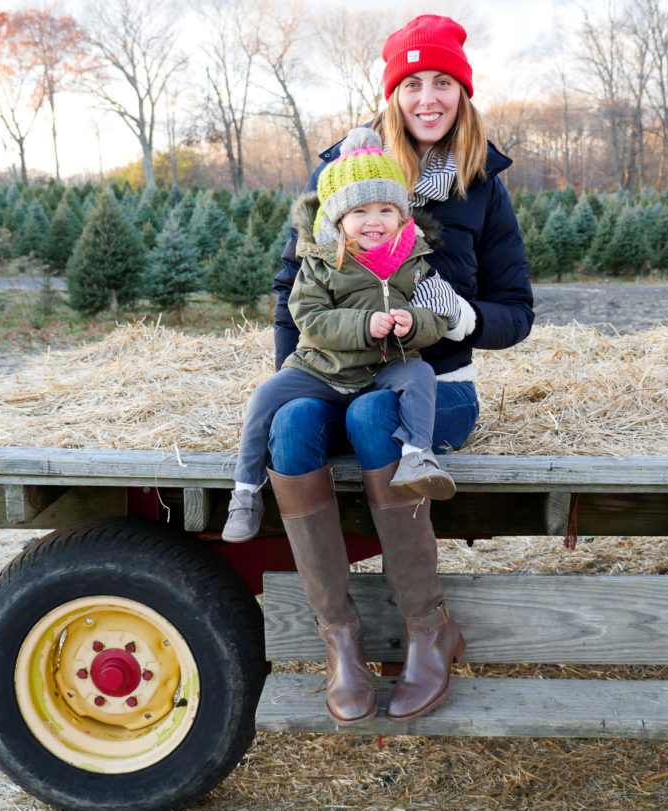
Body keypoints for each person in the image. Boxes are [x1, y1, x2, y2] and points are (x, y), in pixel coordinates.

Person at [265, 13, 534, 726]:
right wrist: (295, 376)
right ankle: (341, 639)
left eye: (443, 82)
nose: (427, 98)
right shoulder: (343, 173)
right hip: (338, 374)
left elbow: (518, 310)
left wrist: (464, 318)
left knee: (373, 415)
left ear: (463, 94)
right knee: (292, 426)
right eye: (411, 83)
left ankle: (426, 628)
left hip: (434, 390)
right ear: (392, 95)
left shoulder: (480, 188)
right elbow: (291, 286)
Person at [222, 126, 465, 546]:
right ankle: (244, 492)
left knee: (421, 377)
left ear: (403, 215)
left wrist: (413, 323)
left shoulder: (415, 259)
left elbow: (438, 318)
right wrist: (362, 325)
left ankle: (416, 457)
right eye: (360, 212)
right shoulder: (320, 262)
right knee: (265, 397)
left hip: (383, 368)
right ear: (338, 218)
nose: (374, 221)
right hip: (321, 368)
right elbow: (309, 318)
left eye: (387, 210)